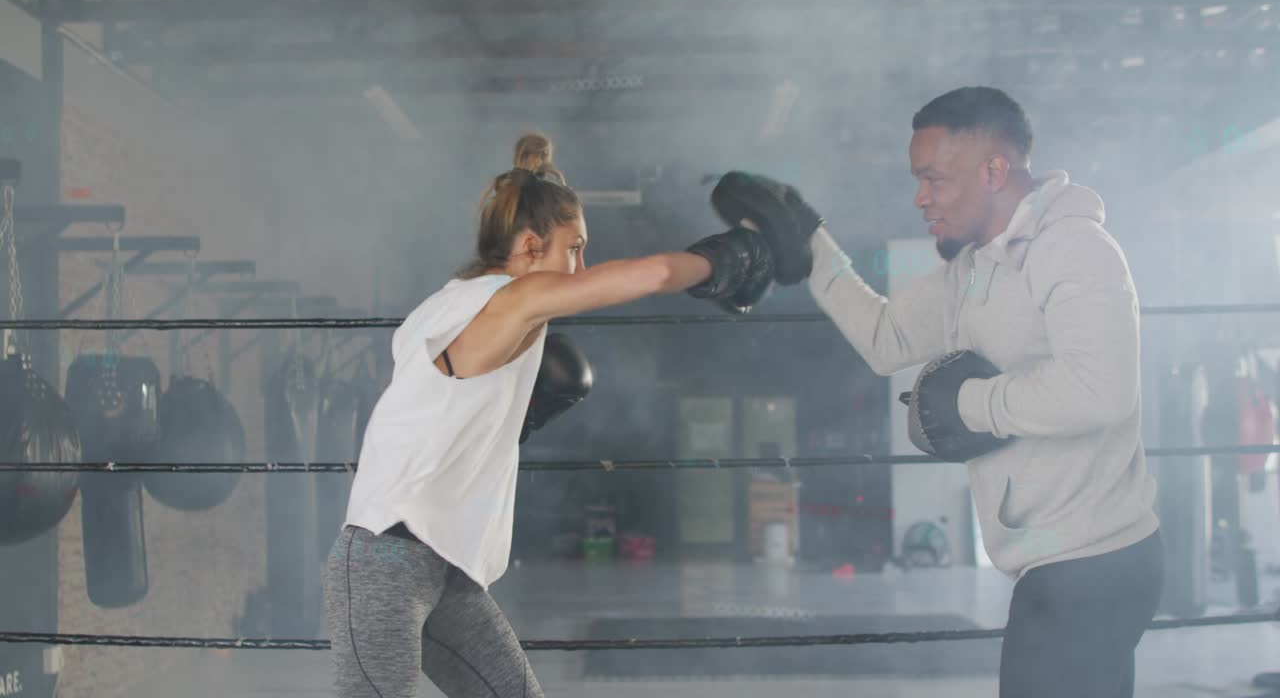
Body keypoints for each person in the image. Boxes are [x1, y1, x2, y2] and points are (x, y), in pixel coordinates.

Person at [714, 87, 1164, 698]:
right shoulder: (974, 268)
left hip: (1095, 563)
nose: (921, 198)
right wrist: (811, 241)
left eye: (934, 179)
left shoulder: (1074, 248)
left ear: (994, 170)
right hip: (1057, 565)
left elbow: (1102, 390)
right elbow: (885, 336)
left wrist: (969, 404)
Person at [321, 133, 776, 698]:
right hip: (385, 562)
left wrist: (504, 423)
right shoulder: (510, 301)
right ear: (531, 247)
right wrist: (729, 257)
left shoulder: (448, 304)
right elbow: (649, 275)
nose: (581, 266)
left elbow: (417, 416)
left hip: (443, 567)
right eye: (575, 248)